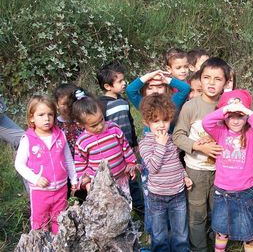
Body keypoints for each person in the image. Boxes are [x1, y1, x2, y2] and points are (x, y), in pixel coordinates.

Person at [202, 89, 253, 251]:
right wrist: (225, 109)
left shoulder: (252, 134)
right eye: (231, 116)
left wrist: (248, 112)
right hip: (222, 193)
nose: (235, 120)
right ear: (224, 115)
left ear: (246, 115)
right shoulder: (219, 132)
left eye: (240, 116)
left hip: (246, 193)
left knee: (249, 234)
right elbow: (207, 122)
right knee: (221, 233)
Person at [173, 57, 229, 252]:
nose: (211, 83)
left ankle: (218, 246)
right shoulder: (191, 107)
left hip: (222, 171)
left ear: (226, 82)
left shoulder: (227, 107)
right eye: (207, 77)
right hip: (196, 170)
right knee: (197, 213)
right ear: (200, 79)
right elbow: (178, 136)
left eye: (217, 79)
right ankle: (198, 248)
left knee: (220, 212)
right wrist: (199, 146)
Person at [14, 95, 77, 234]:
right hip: (40, 192)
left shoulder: (60, 135)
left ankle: (57, 245)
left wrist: (74, 179)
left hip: (61, 189)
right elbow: (19, 164)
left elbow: (68, 159)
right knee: (40, 223)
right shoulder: (28, 139)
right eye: (41, 115)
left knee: (59, 221)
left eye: (50, 114)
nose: (46, 118)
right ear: (32, 117)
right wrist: (35, 179)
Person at [139, 93, 192, 251]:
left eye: (165, 120)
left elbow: (175, 162)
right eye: (156, 121)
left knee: (180, 233)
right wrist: (161, 145)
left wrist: (185, 176)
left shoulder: (172, 139)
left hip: (177, 194)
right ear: (146, 122)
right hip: (157, 197)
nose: (161, 125)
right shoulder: (145, 143)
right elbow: (153, 168)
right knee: (159, 234)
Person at [97, 60, 143, 210]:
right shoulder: (101, 105)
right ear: (107, 86)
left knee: (132, 179)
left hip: (128, 149)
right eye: (120, 81)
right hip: (113, 151)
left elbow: (130, 122)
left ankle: (139, 210)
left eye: (124, 80)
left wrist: (135, 143)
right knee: (116, 182)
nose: (124, 83)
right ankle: (118, 210)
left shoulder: (123, 101)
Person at [72, 89, 137, 195]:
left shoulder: (113, 128)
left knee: (123, 205)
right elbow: (80, 164)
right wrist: (86, 182)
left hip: (121, 178)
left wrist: (131, 163)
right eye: (93, 125)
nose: (100, 126)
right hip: (99, 185)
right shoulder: (82, 141)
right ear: (80, 124)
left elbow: (125, 146)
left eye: (101, 120)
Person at [126, 69, 190, 133]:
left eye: (160, 87)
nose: (155, 91)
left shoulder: (172, 102)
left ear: (166, 88)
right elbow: (130, 90)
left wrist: (165, 79)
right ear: (144, 90)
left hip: (169, 139)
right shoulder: (143, 103)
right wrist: (148, 76)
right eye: (150, 88)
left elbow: (185, 88)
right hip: (149, 140)